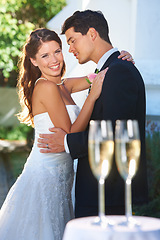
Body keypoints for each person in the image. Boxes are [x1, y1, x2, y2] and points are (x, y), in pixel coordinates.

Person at [0, 28, 131, 239]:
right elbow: (71, 132)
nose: (54, 60)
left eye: (57, 51)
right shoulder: (45, 87)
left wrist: (120, 59)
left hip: (63, 176)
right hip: (45, 176)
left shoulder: (63, 85)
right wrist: (92, 97)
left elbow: (98, 75)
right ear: (33, 61)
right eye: (45, 55)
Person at [38, 10, 148, 218]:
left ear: (92, 34)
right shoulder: (109, 70)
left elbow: (115, 133)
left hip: (108, 193)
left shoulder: (119, 71)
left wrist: (67, 142)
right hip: (100, 191)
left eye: (72, 41)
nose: (69, 49)